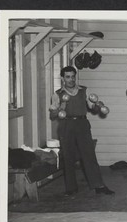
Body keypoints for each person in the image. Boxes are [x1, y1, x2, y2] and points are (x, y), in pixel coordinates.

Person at [49, 66, 114, 196]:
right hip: (66, 125)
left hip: (82, 124)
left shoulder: (84, 90)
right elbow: (53, 115)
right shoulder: (57, 94)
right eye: (68, 77)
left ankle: (98, 185)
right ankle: (71, 188)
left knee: (89, 154)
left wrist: (98, 106)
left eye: (73, 76)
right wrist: (61, 107)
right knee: (68, 156)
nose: (71, 79)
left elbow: (92, 107)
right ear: (62, 78)